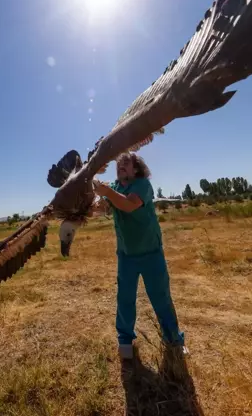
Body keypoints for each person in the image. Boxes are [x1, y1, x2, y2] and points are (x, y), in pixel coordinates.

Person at [91, 152, 187, 360]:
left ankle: (174, 341)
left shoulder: (142, 185)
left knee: (161, 298)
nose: (121, 167)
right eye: (118, 165)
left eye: (126, 164)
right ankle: (125, 341)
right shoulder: (115, 188)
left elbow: (128, 204)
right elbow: (101, 208)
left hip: (151, 253)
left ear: (136, 168)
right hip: (126, 256)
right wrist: (94, 197)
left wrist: (106, 191)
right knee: (125, 299)